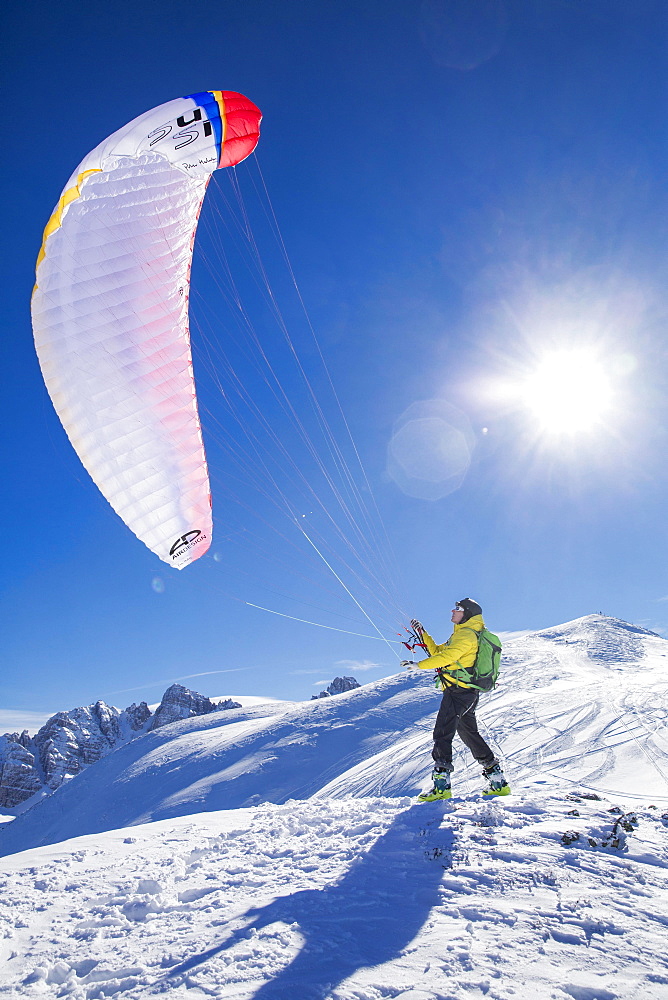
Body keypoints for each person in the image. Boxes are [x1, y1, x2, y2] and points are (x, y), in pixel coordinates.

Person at [401, 598, 509, 801]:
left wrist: (419, 666)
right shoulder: (462, 634)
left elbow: (447, 658)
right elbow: (438, 652)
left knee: (443, 732)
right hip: (465, 692)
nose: (453, 611)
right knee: (469, 734)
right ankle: (498, 782)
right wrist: (423, 633)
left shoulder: (467, 635)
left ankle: (442, 787)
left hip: (458, 692)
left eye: (458, 609)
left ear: (467, 613)